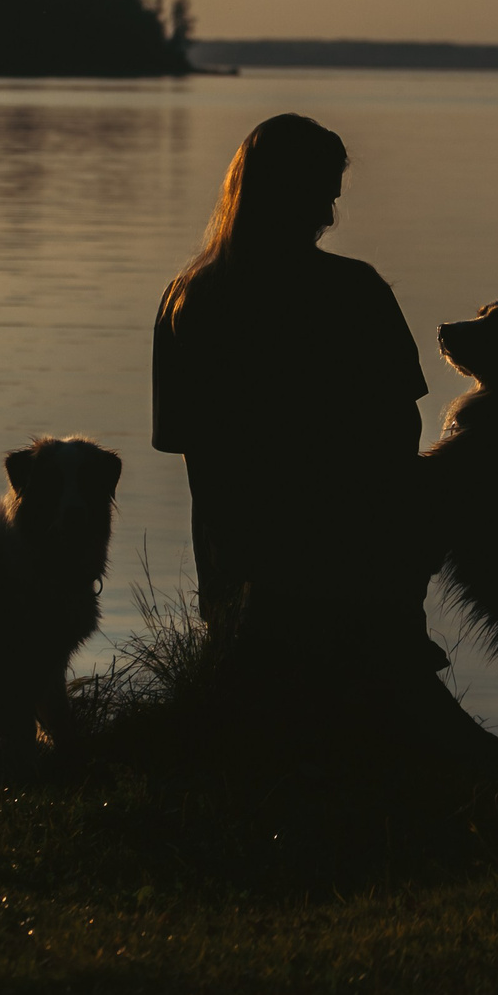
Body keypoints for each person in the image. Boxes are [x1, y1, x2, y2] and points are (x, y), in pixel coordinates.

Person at [151, 114, 439, 677]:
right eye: (320, 197)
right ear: (283, 194)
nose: (328, 217)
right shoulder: (356, 292)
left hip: (239, 570)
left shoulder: (186, 299)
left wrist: (231, 579)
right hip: (354, 569)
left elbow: (191, 452)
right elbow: (400, 432)